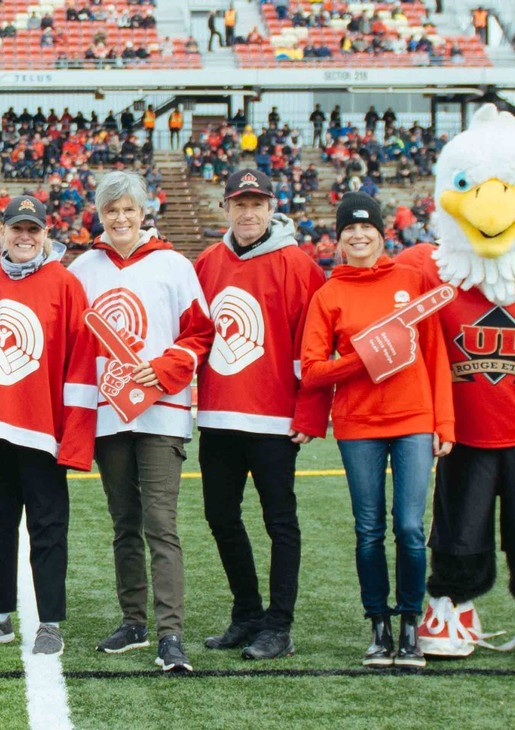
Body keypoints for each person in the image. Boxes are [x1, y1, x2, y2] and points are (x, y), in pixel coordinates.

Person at [64, 171, 212, 672]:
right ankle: (133, 621)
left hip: (162, 413)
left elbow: (199, 333)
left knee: (160, 524)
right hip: (109, 415)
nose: (120, 218)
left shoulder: (173, 265)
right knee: (123, 523)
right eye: (111, 210)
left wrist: (165, 369)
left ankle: (171, 634)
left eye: (128, 209)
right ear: (99, 215)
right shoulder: (83, 268)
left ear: (143, 211)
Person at [299, 193, 454, 669]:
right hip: (358, 425)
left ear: (383, 234)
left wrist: (444, 420)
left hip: (412, 420)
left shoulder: (411, 281)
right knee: (368, 531)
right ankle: (378, 627)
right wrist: (362, 358)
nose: (359, 236)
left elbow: (435, 355)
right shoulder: (328, 295)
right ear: (339, 238)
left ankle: (411, 625)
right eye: (349, 229)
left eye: (367, 228)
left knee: (409, 527)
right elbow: (311, 371)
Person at [192, 168, 330, 662]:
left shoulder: (299, 265)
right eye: (239, 203)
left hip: (274, 421)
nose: (248, 212)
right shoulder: (208, 262)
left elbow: (316, 345)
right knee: (221, 517)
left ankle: (279, 624)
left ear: (272, 207)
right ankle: (247, 613)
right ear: (226, 208)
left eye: (257, 203)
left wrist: (310, 414)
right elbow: (193, 335)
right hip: (219, 417)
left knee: (280, 522)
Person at [0, 195, 96, 658]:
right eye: (17, 229)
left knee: (48, 527)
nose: (24, 237)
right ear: (1, 233)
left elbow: (79, 364)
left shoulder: (65, 284)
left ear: (45, 236)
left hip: (42, 432)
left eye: (33, 230)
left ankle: (50, 621)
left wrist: (72, 437)